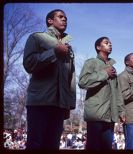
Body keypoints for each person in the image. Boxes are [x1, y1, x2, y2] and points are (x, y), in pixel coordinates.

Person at [23, 9, 76, 149]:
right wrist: (54, 52)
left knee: (53, 145)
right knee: (35, 144)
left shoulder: (69, 48)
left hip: (59, 105)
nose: (64, 19)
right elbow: (29, 64)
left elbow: (71, 77)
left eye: (65, 17)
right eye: (60, 16)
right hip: (39, 101)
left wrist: (69, 104)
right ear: (50, 21)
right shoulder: (37, 37)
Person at [78, 37, 125, 150]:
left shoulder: (112, 68)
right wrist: (104, 73)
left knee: (107, 147)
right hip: (96, 113)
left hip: (110, 115)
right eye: (106, 42)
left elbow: (117, 92)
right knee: (93, 146)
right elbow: (83, 82)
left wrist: (121, 111)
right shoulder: (91, 62)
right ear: (98, 47)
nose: (110, 44)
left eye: (111, 43)